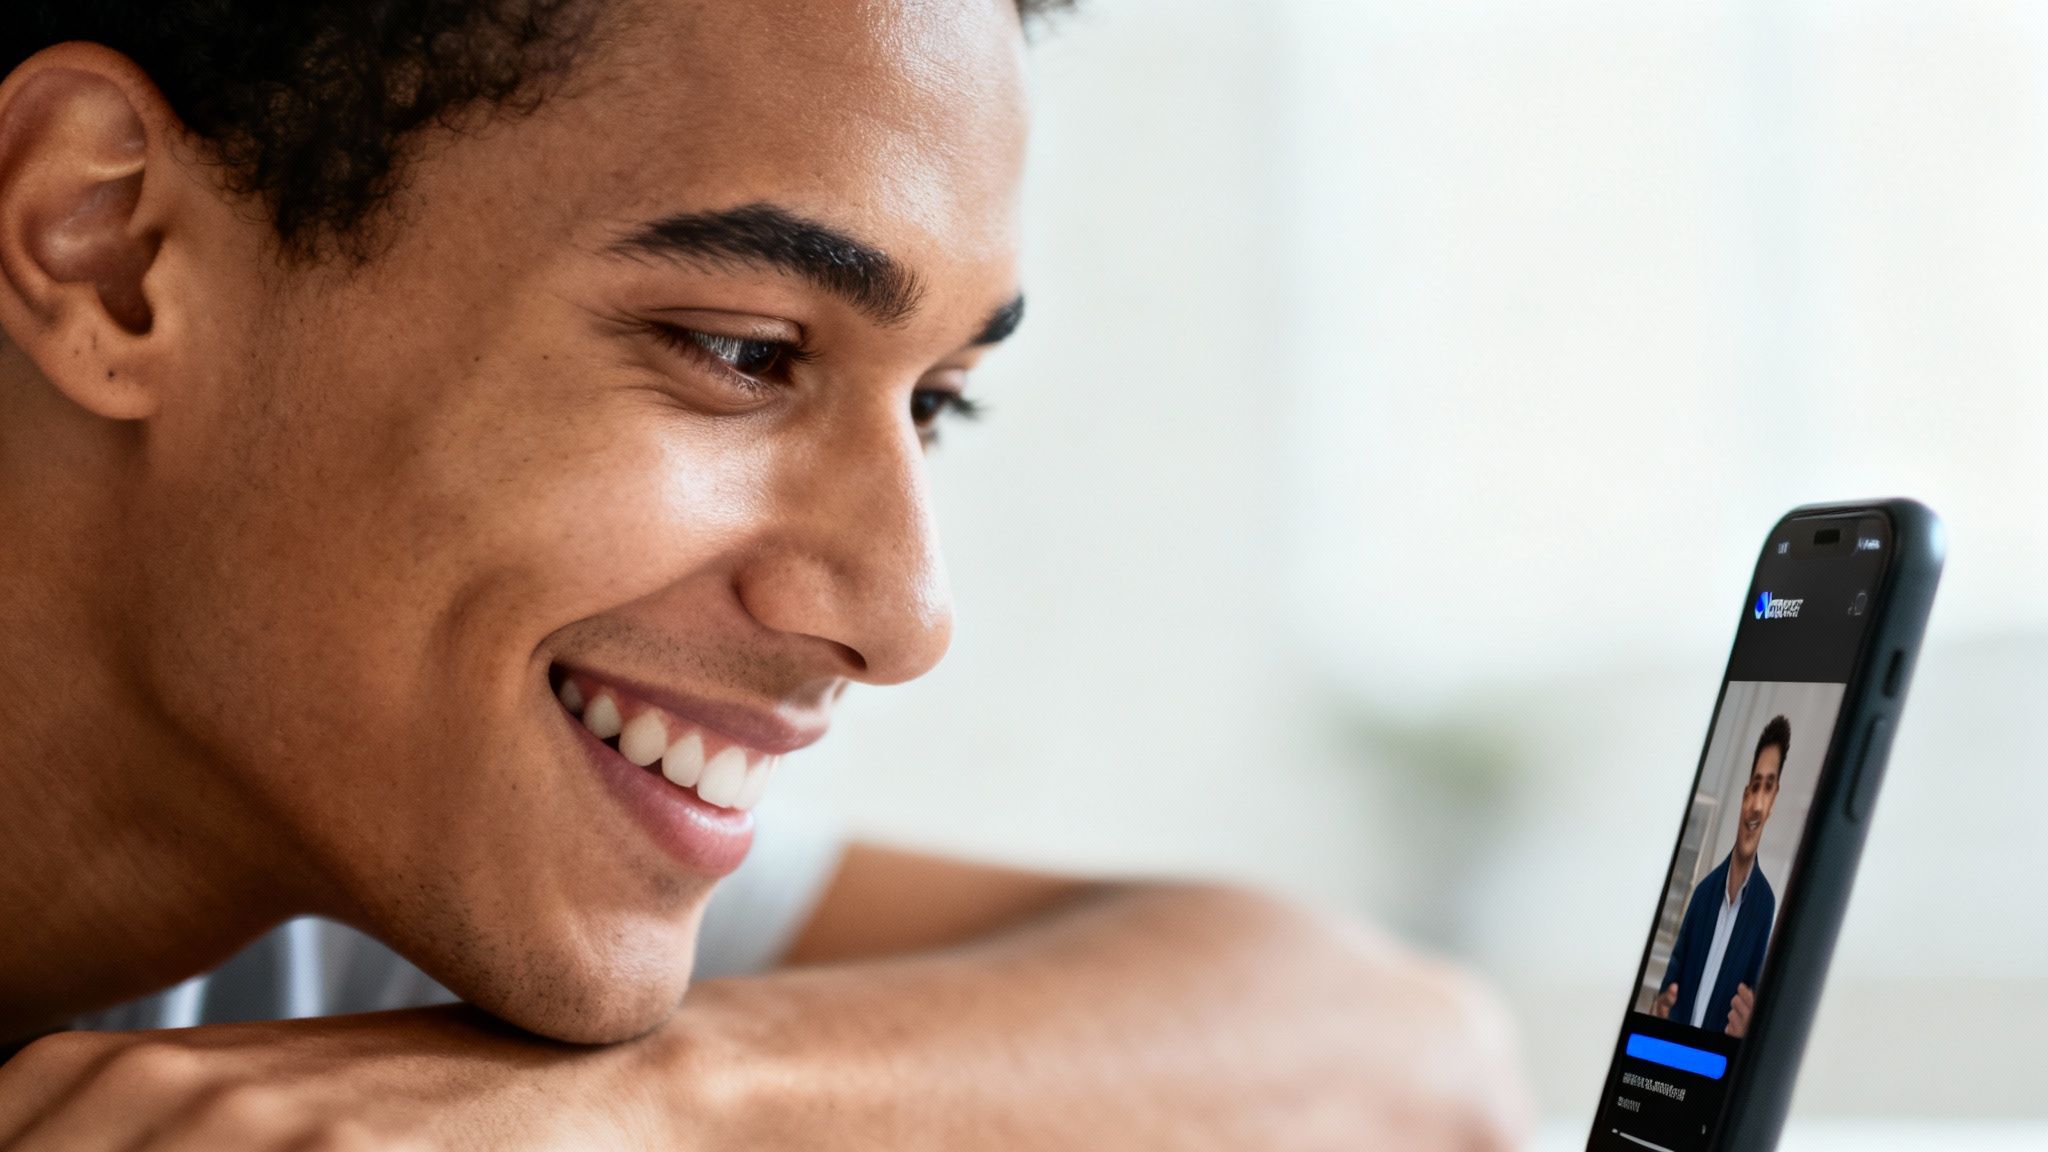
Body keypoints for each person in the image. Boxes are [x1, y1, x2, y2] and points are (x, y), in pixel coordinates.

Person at [0, 1, 1530, 1147]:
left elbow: (1406, 1054)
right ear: (110, 249)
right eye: (740, 352)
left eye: (936, 404)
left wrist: (664, 1106)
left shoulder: (371, 850)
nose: (905, 616)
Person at [1648, 715, 1789, 1039]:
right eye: (1755, 787)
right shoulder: (1703, 893)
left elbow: (1754, 1000)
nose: (1757, 805)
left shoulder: (1765, 906)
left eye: (1768, 789)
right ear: (1744, 796)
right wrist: (1660, 1008)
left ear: (1773, 802)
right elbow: (1669, 985)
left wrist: (1746, 1032)